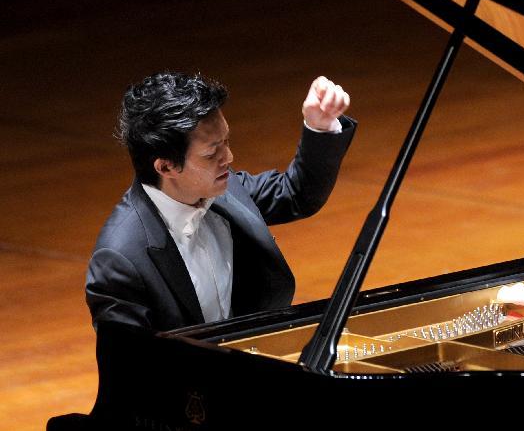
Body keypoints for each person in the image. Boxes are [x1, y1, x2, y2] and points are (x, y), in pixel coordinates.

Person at [86, 71, 355, 331]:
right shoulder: (120, 260)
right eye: (212, 152)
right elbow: (130, 368)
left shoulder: (228, 191)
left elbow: (296, 193)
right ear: (166, 167)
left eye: (226, 141)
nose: (229, 157)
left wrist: (320, 127)